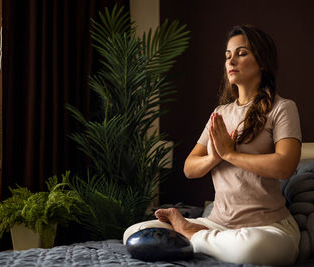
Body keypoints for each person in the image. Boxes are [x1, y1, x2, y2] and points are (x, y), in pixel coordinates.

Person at [123, 25, 302, 266]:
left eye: (241, 53)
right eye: (228, 55)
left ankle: (191, 235)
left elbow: (284, 166)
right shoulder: (220, 113)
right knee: (135, 233)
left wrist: (230, 153)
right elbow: (189, 168)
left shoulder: (282, 108)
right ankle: (204, 237)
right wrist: (214, 157)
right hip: (217, 223)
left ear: (262, 61)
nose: (231, 61)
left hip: (266, 227)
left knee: (251, 250)